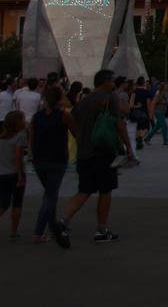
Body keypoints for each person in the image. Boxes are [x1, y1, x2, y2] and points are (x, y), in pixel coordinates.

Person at [51, 69, 123, 247]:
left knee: (84, 190)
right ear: (106, 81)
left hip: (85, 154)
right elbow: (119, 122)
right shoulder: (109, 99)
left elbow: (72, 121)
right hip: (103, 153)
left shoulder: (84, 101)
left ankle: (63, 222)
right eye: (112, 81)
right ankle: (101, 230)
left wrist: (81, 140)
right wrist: (127, 147)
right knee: (106, 191)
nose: (114, 84)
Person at [28, 85, 74, 243]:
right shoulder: (63, 116)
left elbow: (31, 138)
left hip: (40, 160)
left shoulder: (37, 116)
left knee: (50, 193)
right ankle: (38, 232)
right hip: (57, 159)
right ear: (59, 98)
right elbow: (76, 132)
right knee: (50, 195)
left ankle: (53, 227)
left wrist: (31, 156)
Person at [0, 109, 27, 239]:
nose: (25, 121)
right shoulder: (20, 136)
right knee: (17, 202)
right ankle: (13, 232)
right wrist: (20, 175)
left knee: (4, 203)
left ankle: (14, 232)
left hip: (2, 173)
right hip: (14, 173)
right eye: (23, 119)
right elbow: (18, 157)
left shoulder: (2, 138)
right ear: (17, 123)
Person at [144, 81, 168, 146]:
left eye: (167, 86)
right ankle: (166, 140)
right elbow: (154, 102)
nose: (167, 87)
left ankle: (147, 138)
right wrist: (151, 112)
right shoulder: (159, 94)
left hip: (162, 112)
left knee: (156, 127)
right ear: (162, 87)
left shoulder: (165, 93)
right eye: (165, 86)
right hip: (159, 111)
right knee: (164, 126)